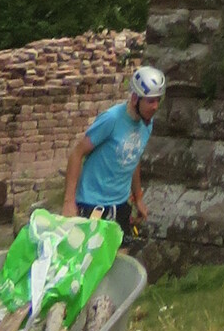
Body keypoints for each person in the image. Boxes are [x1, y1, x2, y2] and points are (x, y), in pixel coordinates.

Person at [63, 65, 165, 237]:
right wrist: (68, 201)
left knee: (122, 253)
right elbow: (77, 153)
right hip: (92, 203)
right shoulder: (111, 120)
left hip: (120, 204)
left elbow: (134, 158)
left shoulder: (147, 123)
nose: (155, 107)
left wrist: (138, 197)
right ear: (135, 98)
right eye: (150, 101)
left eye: (158, 100)